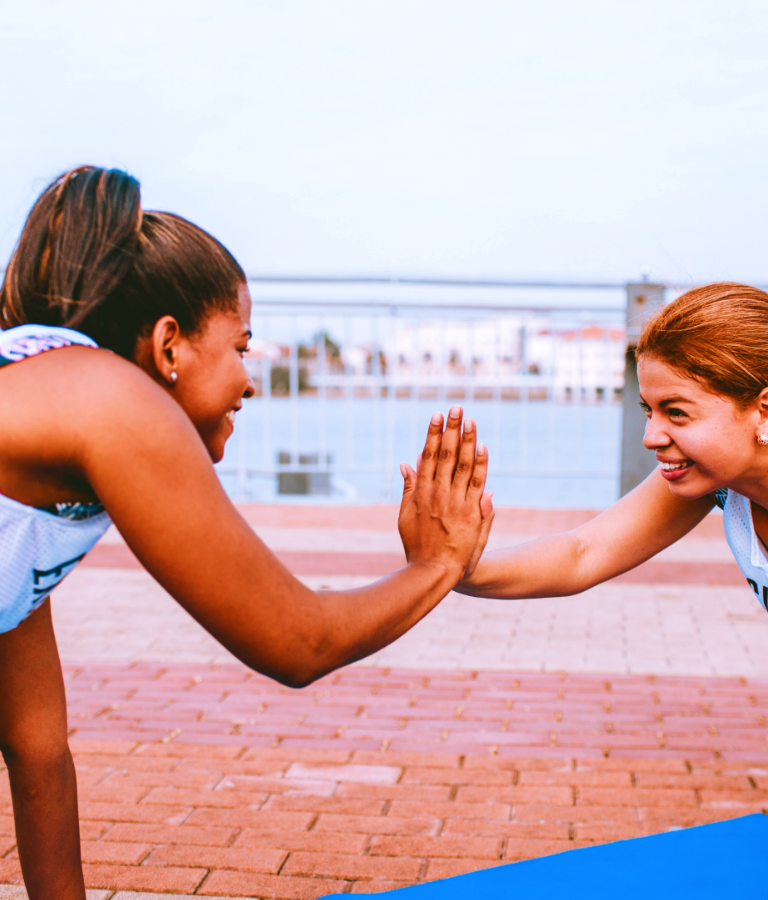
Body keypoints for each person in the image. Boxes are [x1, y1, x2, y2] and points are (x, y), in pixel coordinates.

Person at [0, 166, 494, 900]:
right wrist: (439, 564)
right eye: (241, 345)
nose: (251, 379)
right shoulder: (112, 400)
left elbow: (38, 748)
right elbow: (298, 643)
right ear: (169, 346)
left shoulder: (45, 410)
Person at [454, 282, 768, 616]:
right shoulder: (719, 482)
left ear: (763, 412)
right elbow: (582, 553)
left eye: (676, 412)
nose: (650, 438)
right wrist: (453, 565)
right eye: (649, 410)